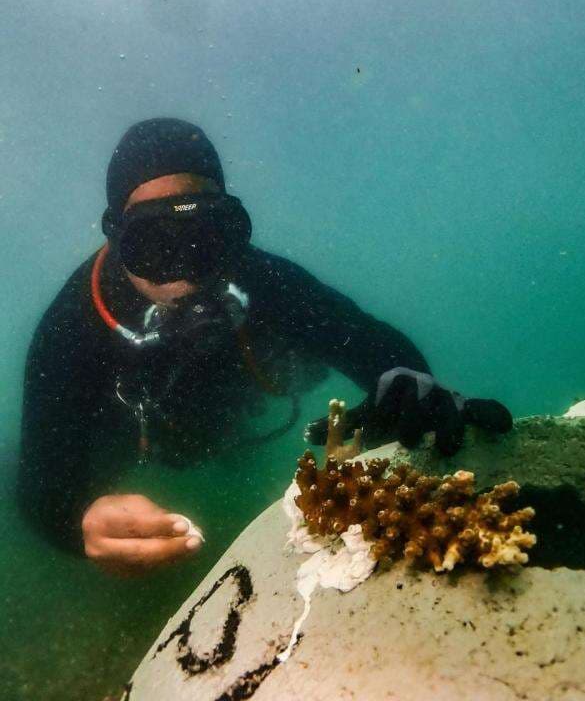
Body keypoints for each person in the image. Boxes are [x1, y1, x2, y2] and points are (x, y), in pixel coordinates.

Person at [18, 118, 512, 577]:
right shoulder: (73, 326)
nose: (188, 277)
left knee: (230, 446)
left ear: (232, 231)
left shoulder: (263, 280)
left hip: (228, 421)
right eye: (153, 246)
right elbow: (41, 489)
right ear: (116, 237)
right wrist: (80, 524)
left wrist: (408, 385)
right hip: (124, 439)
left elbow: (370, 343)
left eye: (206, 239)